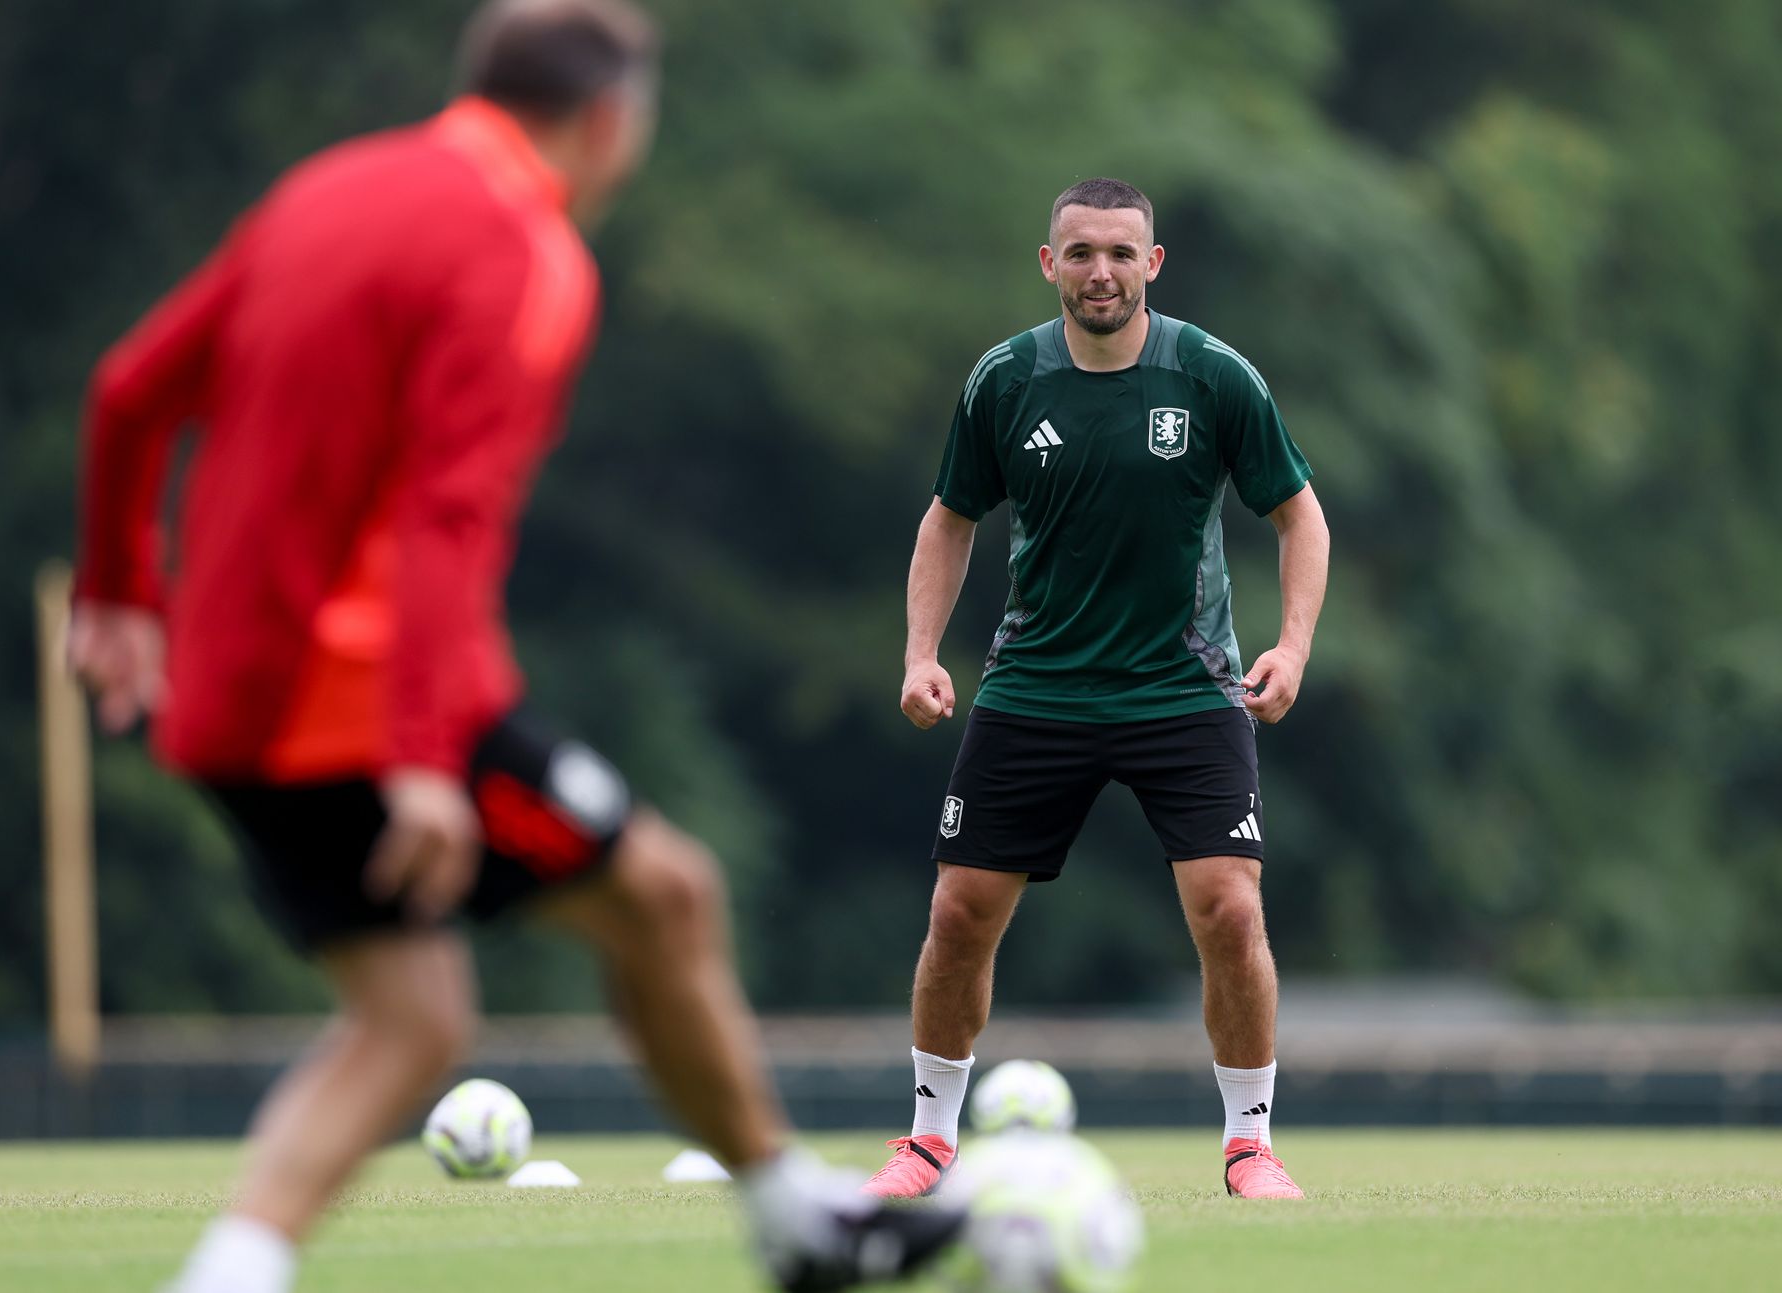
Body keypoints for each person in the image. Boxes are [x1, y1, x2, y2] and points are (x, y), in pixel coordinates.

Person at [68, 3, 961, 1289]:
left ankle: (232, 1271)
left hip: (227, 698)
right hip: (361, 704)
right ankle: (799, 1224)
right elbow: (447, 517)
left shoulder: (330, 187)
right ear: (609, 121)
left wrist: (117, 588)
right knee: (667, 896)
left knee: (414, 1021)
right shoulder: (526, 254)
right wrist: (425, 757)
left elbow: (127, 391)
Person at [864, 178, 1330, 1202]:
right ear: (1049, 264)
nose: (1102, 272)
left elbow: (1299, 515)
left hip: (1185, 687)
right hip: (1038, 686)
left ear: (1152, 265)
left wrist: (1292, 648)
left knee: (1229, 913)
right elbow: (951, 519)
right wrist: (921, 653)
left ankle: (1249, 1144)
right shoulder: (1006, 379)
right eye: (1081, 254)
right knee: (958, 914)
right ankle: (929, 1141)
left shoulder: (1212, 376)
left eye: (1122, 253)